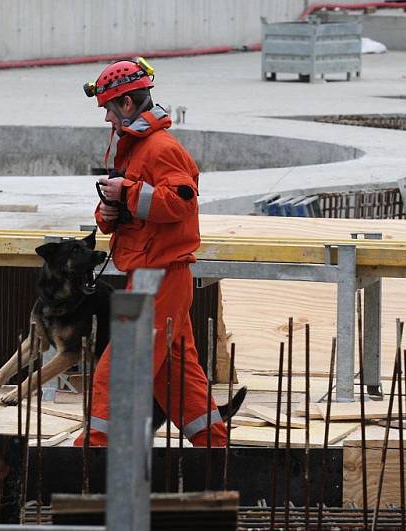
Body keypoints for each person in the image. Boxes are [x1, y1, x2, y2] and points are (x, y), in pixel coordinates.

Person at [74, 58, 227, 448]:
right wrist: (108, 213)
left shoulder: (160, 149)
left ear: (127, 104)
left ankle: (94, 449)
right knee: (174, 373)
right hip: (149, 273)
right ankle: (213, 445)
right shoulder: (137, 149)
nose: (107, 119)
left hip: (159, 275)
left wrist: (125, 194)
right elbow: (139, 207)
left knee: (121, 366)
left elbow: (180, 203)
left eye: (108, 109)